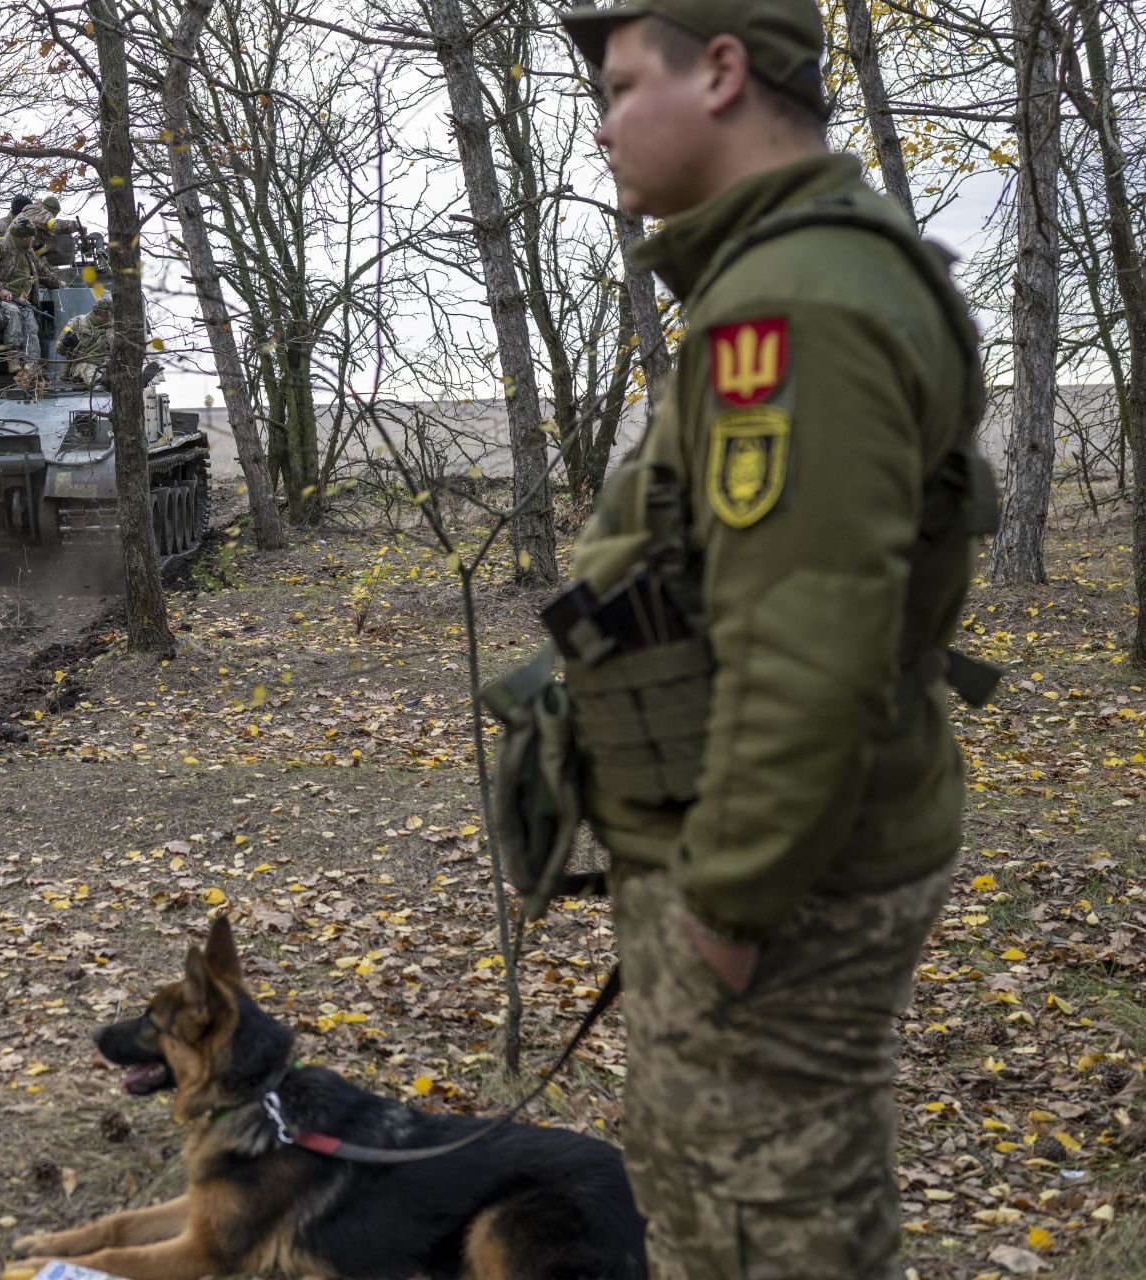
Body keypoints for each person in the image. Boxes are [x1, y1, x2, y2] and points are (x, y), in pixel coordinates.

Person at [554, 2, 994, 1276]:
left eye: (626, 83)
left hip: (780, 887)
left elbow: (813, 644)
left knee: (760, 1233)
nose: (602, 123)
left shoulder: (794, 305)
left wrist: (731, 898)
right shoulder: (802, 268)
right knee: (738, 1211)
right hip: (785, 856)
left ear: (726, 73)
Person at [0, 218, 45, 385]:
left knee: (31, 326)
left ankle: (31, 364)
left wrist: (59, 282)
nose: (33, 240)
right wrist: (0, 289)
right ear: (23, 237)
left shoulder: (28, 252)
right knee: (13, 314)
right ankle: (13, 357)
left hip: (21, 300)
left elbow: (42, 271)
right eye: (31, 237)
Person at [55, 293, 113, 385]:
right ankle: (104, 380)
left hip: (107, 365)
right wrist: (65, 343)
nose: (111, 319)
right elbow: (59, 349)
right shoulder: (76, 322)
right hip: (81, 364)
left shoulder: (113, 328)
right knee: (86, 368)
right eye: (108, 316)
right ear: (101, 314)